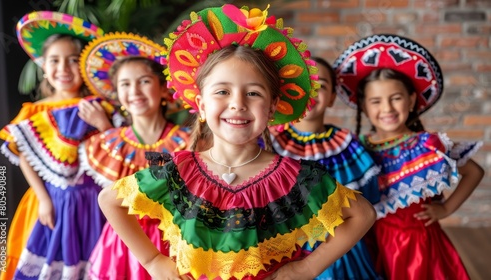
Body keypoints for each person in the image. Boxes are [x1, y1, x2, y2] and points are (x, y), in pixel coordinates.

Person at [98, 4, 376, 280]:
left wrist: (305, 268)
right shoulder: (178, 173)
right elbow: (110, 200)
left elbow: (362, 215)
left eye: (253, 93)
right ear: (202, 105)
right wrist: (152, 260)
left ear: (272, 107)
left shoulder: (294, 179)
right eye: (222, 91)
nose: (237, 104)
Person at [334, 34, 485, 280]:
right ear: (363, 106)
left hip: (419, 245)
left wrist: (446, 208)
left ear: (412, 99)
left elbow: (474, 172)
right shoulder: (356, 149)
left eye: (396, 98)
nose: (387, 109)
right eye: (376, 101)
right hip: (373, 240)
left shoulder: (429, 144)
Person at [0, 11, 120, 279]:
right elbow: (24, 157)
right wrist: (43, 199)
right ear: (43, 66)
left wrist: (103, 125)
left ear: (86, 65)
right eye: (55, 60)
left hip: (93, 201)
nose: (63, 69)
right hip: (50, 198)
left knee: (92, 258)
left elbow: (117, 149)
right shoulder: (34, 112)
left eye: (73, 61)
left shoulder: (102, 107)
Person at [77, 32, 190, 279]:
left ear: (163, 89)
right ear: (117, 95)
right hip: (124, 243)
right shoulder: (105, 144)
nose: (135, 90)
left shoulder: (188, 142)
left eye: (144, 81)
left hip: (176, 241)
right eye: (125, 84)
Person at [270, 57, 381, 280]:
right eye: (303, 85)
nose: (312, 93)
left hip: (341, 249)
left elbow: (368, 201)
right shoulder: (270, 143)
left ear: (332, 98)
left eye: (320, 86)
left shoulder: (347, 145)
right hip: (285, 245)